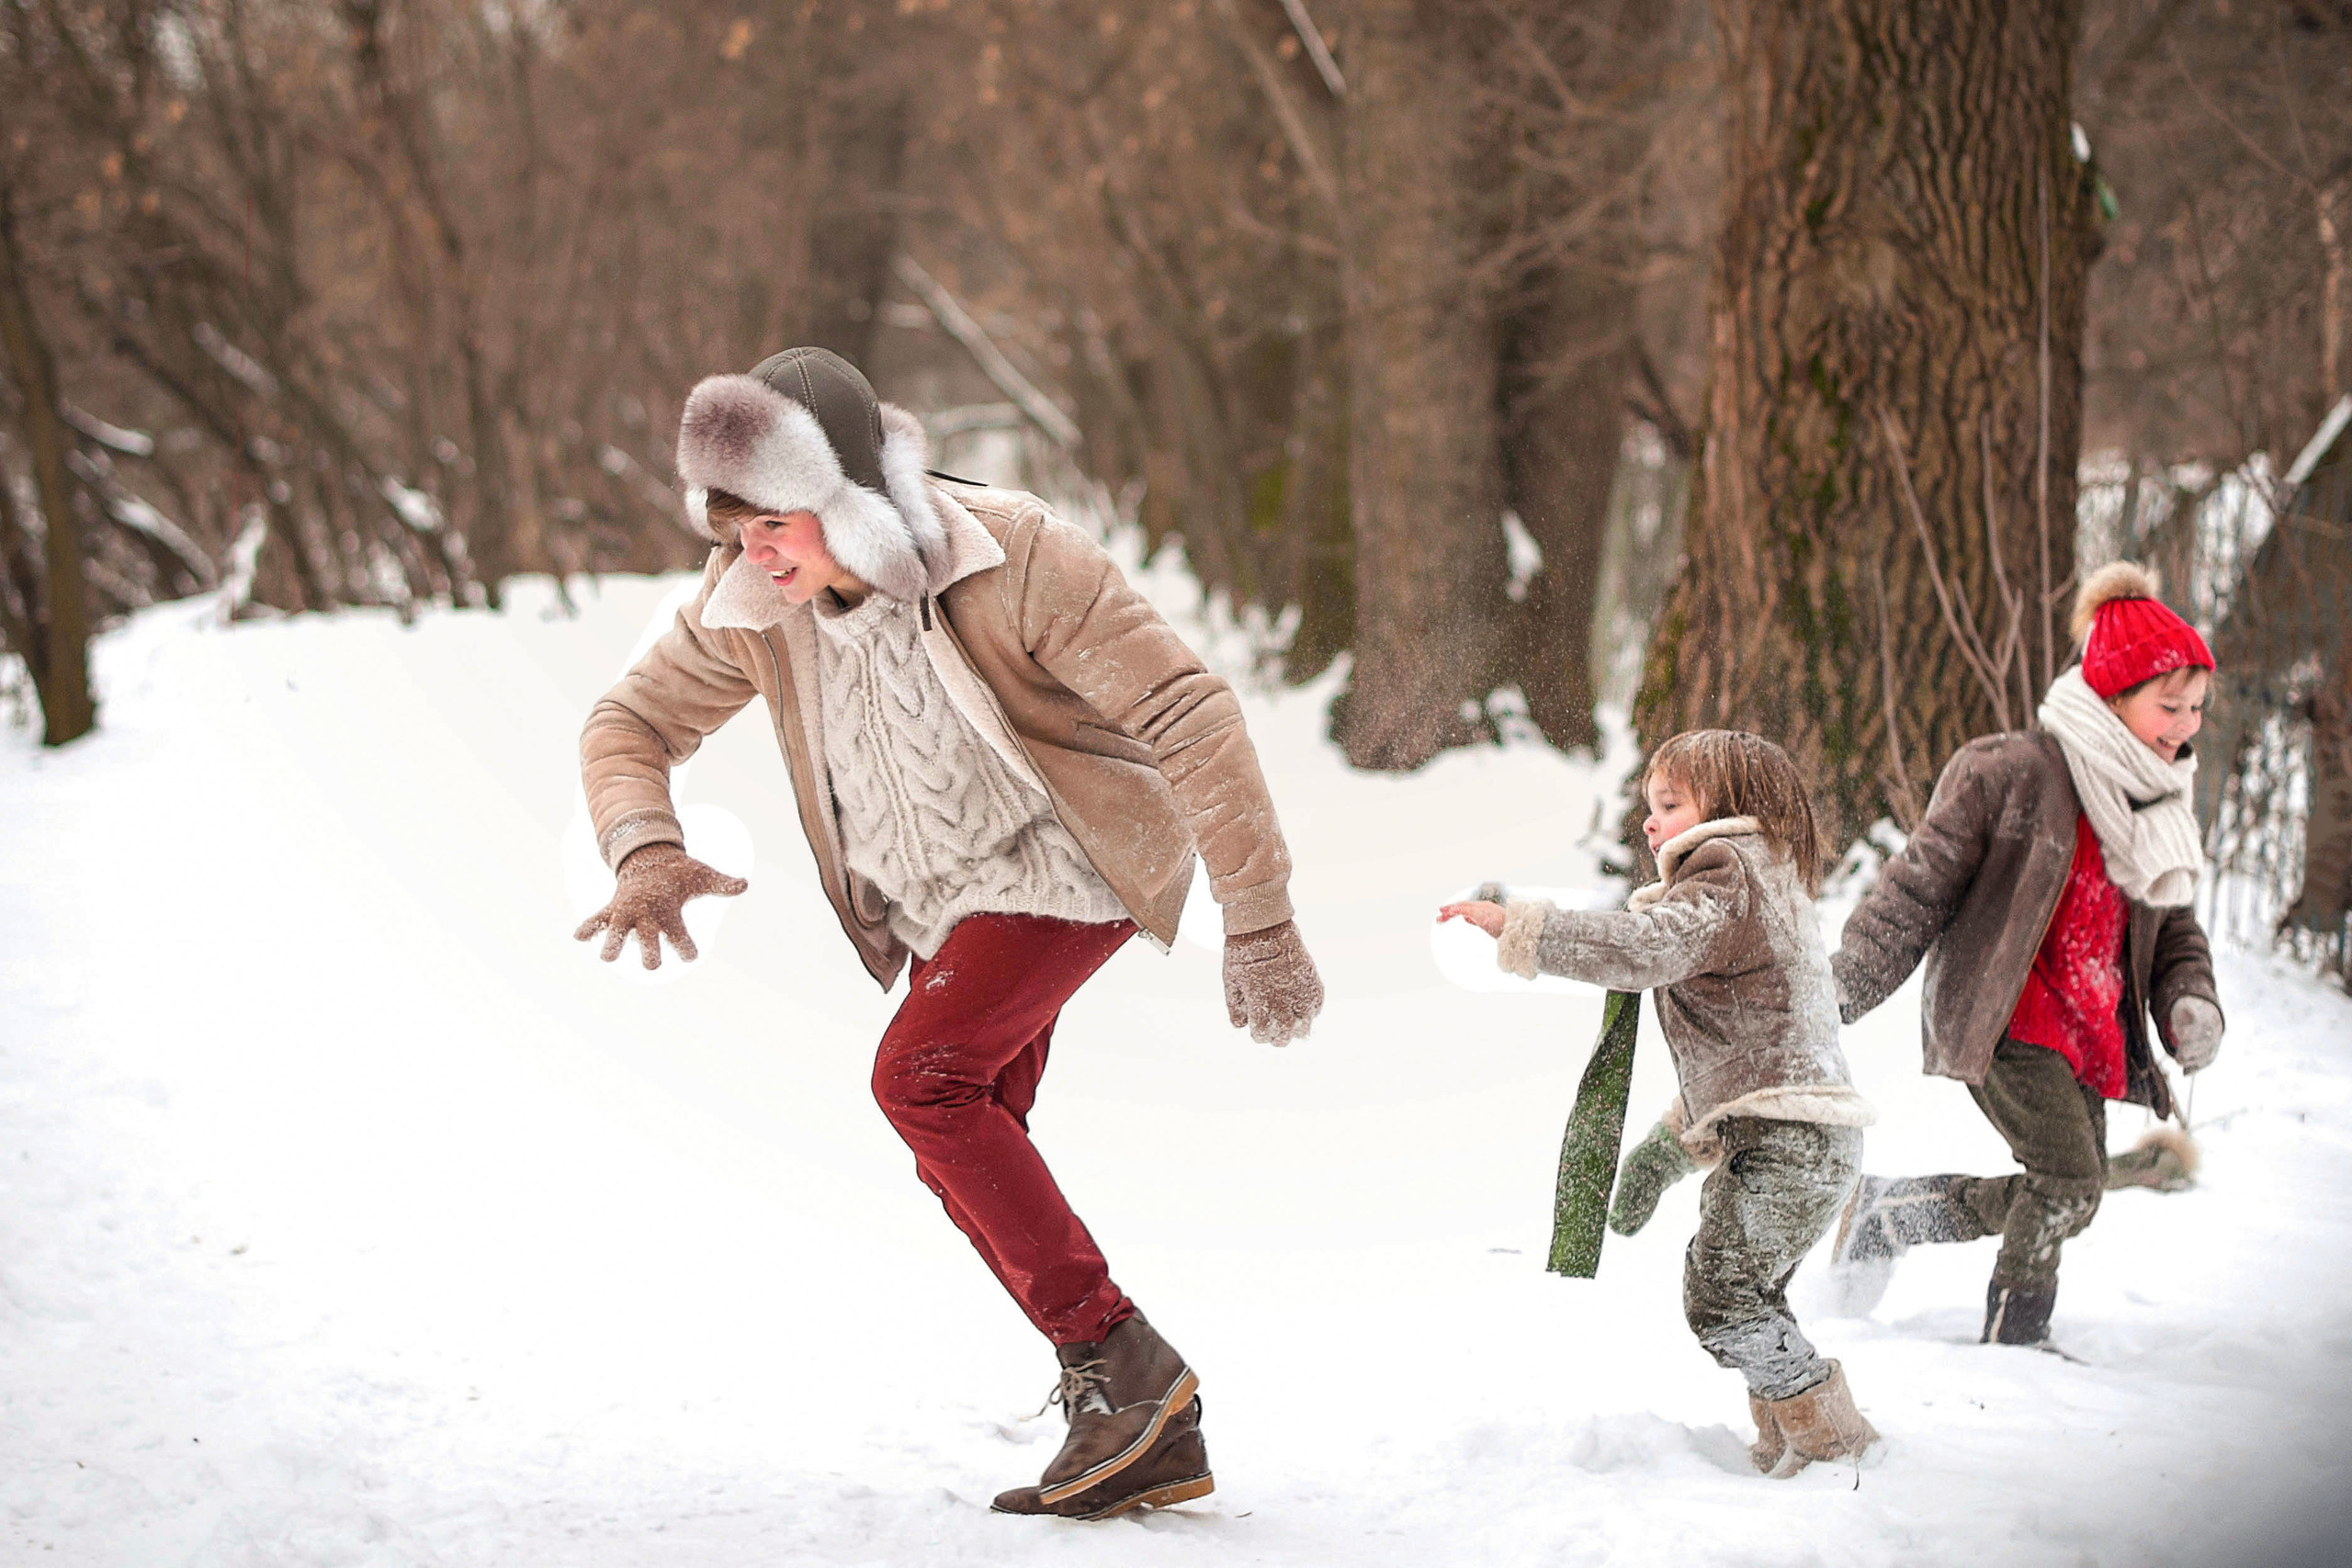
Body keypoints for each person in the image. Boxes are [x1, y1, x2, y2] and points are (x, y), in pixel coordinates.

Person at [571, 348, 1325, 1519]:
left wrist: (1260, 916)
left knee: (921, 1079)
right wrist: (644, 846)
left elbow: (1184, 707)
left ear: (851, 494)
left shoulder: (1007, 551)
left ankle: (1129, 1371)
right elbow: (628, 720)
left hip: (1070, 860)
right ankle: (1128, 1414)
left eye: (778, 521)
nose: (757, 555)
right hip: (943, 903)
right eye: (732, 532)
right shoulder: (750, 608)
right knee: (968, 1140)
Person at [1439, 731, 1879, 1477]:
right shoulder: (1764, 878)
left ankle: (1833, 1441)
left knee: (1721, 1295)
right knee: (1746, 1289)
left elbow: (1645, 948)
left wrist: (1522, 927)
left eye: (1670, 804)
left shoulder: (1726, 869)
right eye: (1649, 806)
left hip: (1793, 1146)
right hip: (1802, 1140)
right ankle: (1790, 1441)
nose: (1650, 822)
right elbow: (1758, 1056)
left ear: (1729, 808)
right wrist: (1666, 1150)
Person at [1826, 563, 2223, 1348]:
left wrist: (2190, 1000)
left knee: (2070, 1191)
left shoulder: (2156, 803)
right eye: (2168, 705)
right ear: (2112, 695)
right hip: (2005, 1014)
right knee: (2071, 1181)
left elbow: (2173, 927)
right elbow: (1916, 888)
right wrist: (1836, 993)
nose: (2184, 725)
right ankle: (2017, 1336)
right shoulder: (2011, 772)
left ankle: (1889, 1213)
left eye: (2197, 708)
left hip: (2086, 1026)